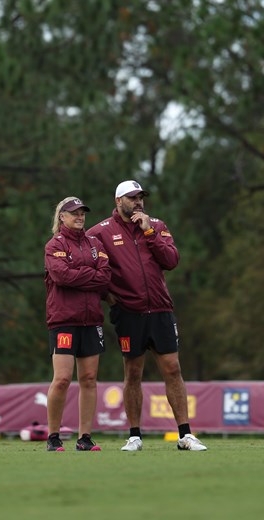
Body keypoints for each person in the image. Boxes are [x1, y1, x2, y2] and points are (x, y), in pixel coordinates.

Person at [86, 180, 207, 451]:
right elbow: (88, 264)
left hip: (161, 309)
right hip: (129, 313)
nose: (138, 202)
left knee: (173, 369)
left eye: (141, 197)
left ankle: (185, 435)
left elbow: (171, 261)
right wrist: (106, 294)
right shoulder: (100, 232)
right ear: (118, 201)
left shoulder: (157, 226)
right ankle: (134, 436)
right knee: (133, 372)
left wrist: (150, 232)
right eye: (132, 197)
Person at [44, 195, 111, 452]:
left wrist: (80, 276)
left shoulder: (95, 243)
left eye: (82, 212)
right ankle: (53, 437)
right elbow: (61, 276)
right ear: (62, 216)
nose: (80, 216)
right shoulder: (54, 245)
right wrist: (90, 275)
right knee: (61, 379)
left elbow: (105, 277)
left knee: (89, 379)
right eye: (74, 213)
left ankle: (85, 438)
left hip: (91, 319)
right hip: (63, 320)